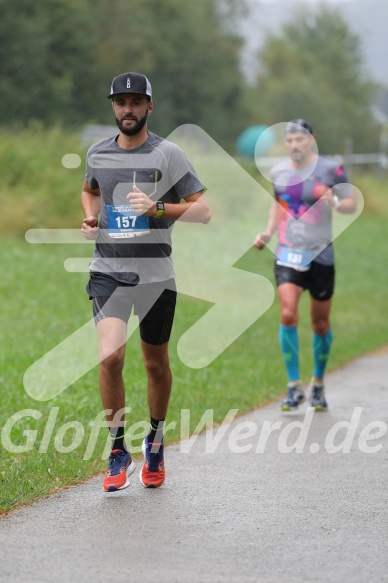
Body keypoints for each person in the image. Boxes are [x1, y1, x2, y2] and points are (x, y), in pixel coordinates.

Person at [81, 72, 211, 491]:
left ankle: (154, 442)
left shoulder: (169, 154)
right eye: (121, 102)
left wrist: (157, 207)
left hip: (156, 277)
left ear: (149, 107)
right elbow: (89, 189)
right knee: (110, 358)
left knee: (155, 365)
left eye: (136, 102)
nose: (128, 109)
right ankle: (118, 449)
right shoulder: (97, 153)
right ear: (113, 107)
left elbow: (203, 211)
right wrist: (89, 214)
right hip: (108, 273)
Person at [254, 119, 356, 411]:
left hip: (321, 254)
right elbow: (278, 204)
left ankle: (319, 384)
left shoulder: (330, 169)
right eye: (290, 141)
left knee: (320, 322)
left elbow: (351, 204)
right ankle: (293, 386)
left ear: (311, 139)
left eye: (300, 139)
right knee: (287, 313)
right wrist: (268, 233)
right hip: (288, 252)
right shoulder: (279, 172)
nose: (294, 145)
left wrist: (334, 201)